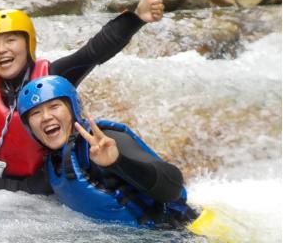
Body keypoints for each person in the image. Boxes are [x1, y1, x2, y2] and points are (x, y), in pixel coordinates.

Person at [0, 0, 164, 195]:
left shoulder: (54, 75)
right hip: (2, 189)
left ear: (29, 44)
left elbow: (93, 51)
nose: (2, 50)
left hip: (52, 183)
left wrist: (136, 18)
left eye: (11, 40)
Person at [16, 75, 198, 228]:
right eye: (35, 113)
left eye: (54, 106)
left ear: (73, 109)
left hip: (183, 234)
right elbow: (20, 188)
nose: (46, 117)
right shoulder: (54, 166)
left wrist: (117, 162)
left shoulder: (107, 140)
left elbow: (172, 186)